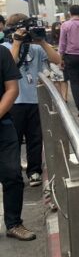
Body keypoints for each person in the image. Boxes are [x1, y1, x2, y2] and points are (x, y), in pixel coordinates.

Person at [3, 14, 62, 187]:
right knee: (14, 139)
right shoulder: (5, 48)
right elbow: (10, 67)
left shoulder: (35, 48)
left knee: (35, 138)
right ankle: (14, 172)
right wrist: (16, 43)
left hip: (35, 99)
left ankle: (34, 171)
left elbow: (57, 60)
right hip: (15, 101)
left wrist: (42, 41)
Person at [0, 43, 35, 241]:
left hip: (3, 123)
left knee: (12, 174)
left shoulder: (2, 53)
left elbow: (12, 89)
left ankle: (14, 224)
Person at [47, 22, 69, 101]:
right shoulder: (49, 36)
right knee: (55, 79)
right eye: (56, 26)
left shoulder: (65, 36)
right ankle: (59, 97)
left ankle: (64, 97)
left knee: (64, 79)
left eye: (60, 26)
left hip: (63, 59)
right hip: (52, 61)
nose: (58, 28)